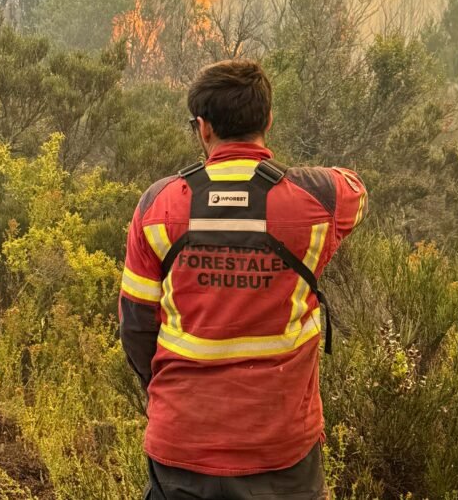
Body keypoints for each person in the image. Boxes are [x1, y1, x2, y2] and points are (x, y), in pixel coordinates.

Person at [119, 60, 367, 499]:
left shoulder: (157, 205)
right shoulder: (317, 199)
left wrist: (162, 393)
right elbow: (355, 188)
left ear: (203, 128)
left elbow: (137, 326)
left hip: (181, 441)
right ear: (267, 120)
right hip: (281, 449)